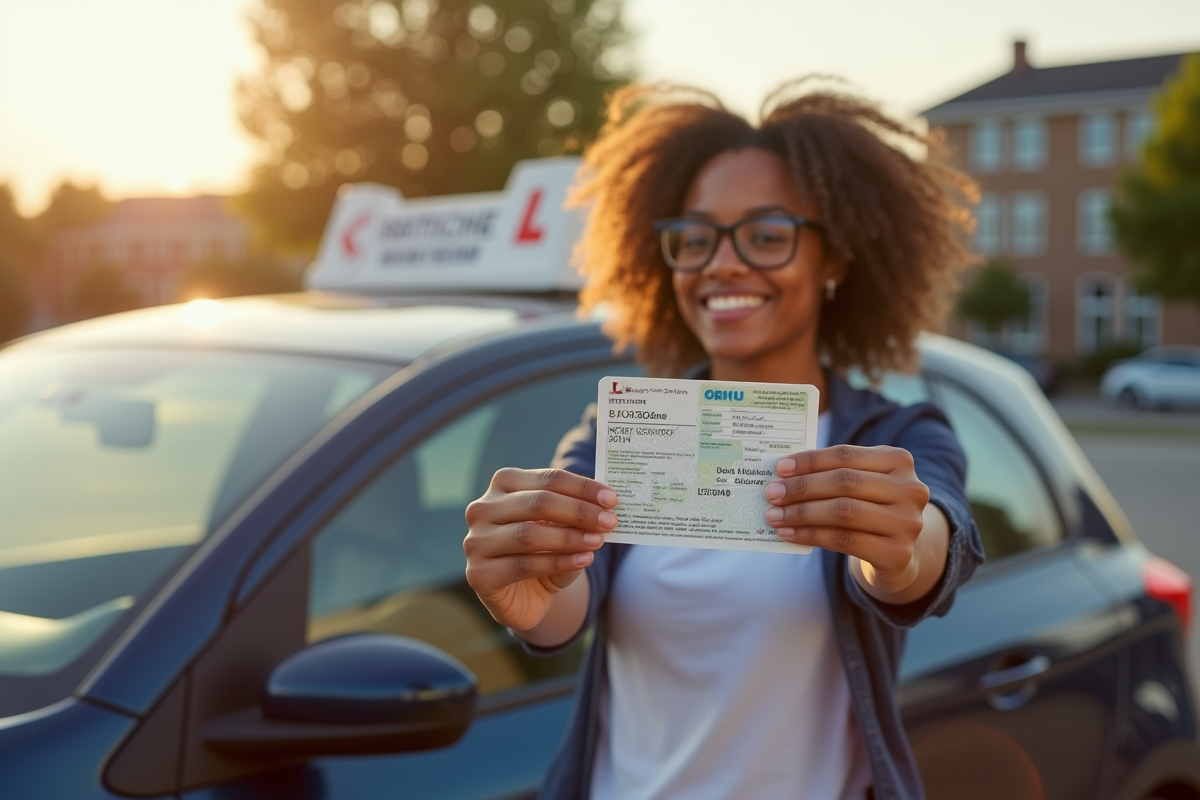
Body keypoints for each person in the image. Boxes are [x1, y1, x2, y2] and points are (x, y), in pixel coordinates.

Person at [463, 79, 985, 800]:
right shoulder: (622, 431)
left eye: (768, 236)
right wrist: (528, 593)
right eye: (696, 238)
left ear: (832, 261)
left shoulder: (895, 434)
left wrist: (897, 552)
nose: (722, 263)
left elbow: (932, 544)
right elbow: (566, 597)